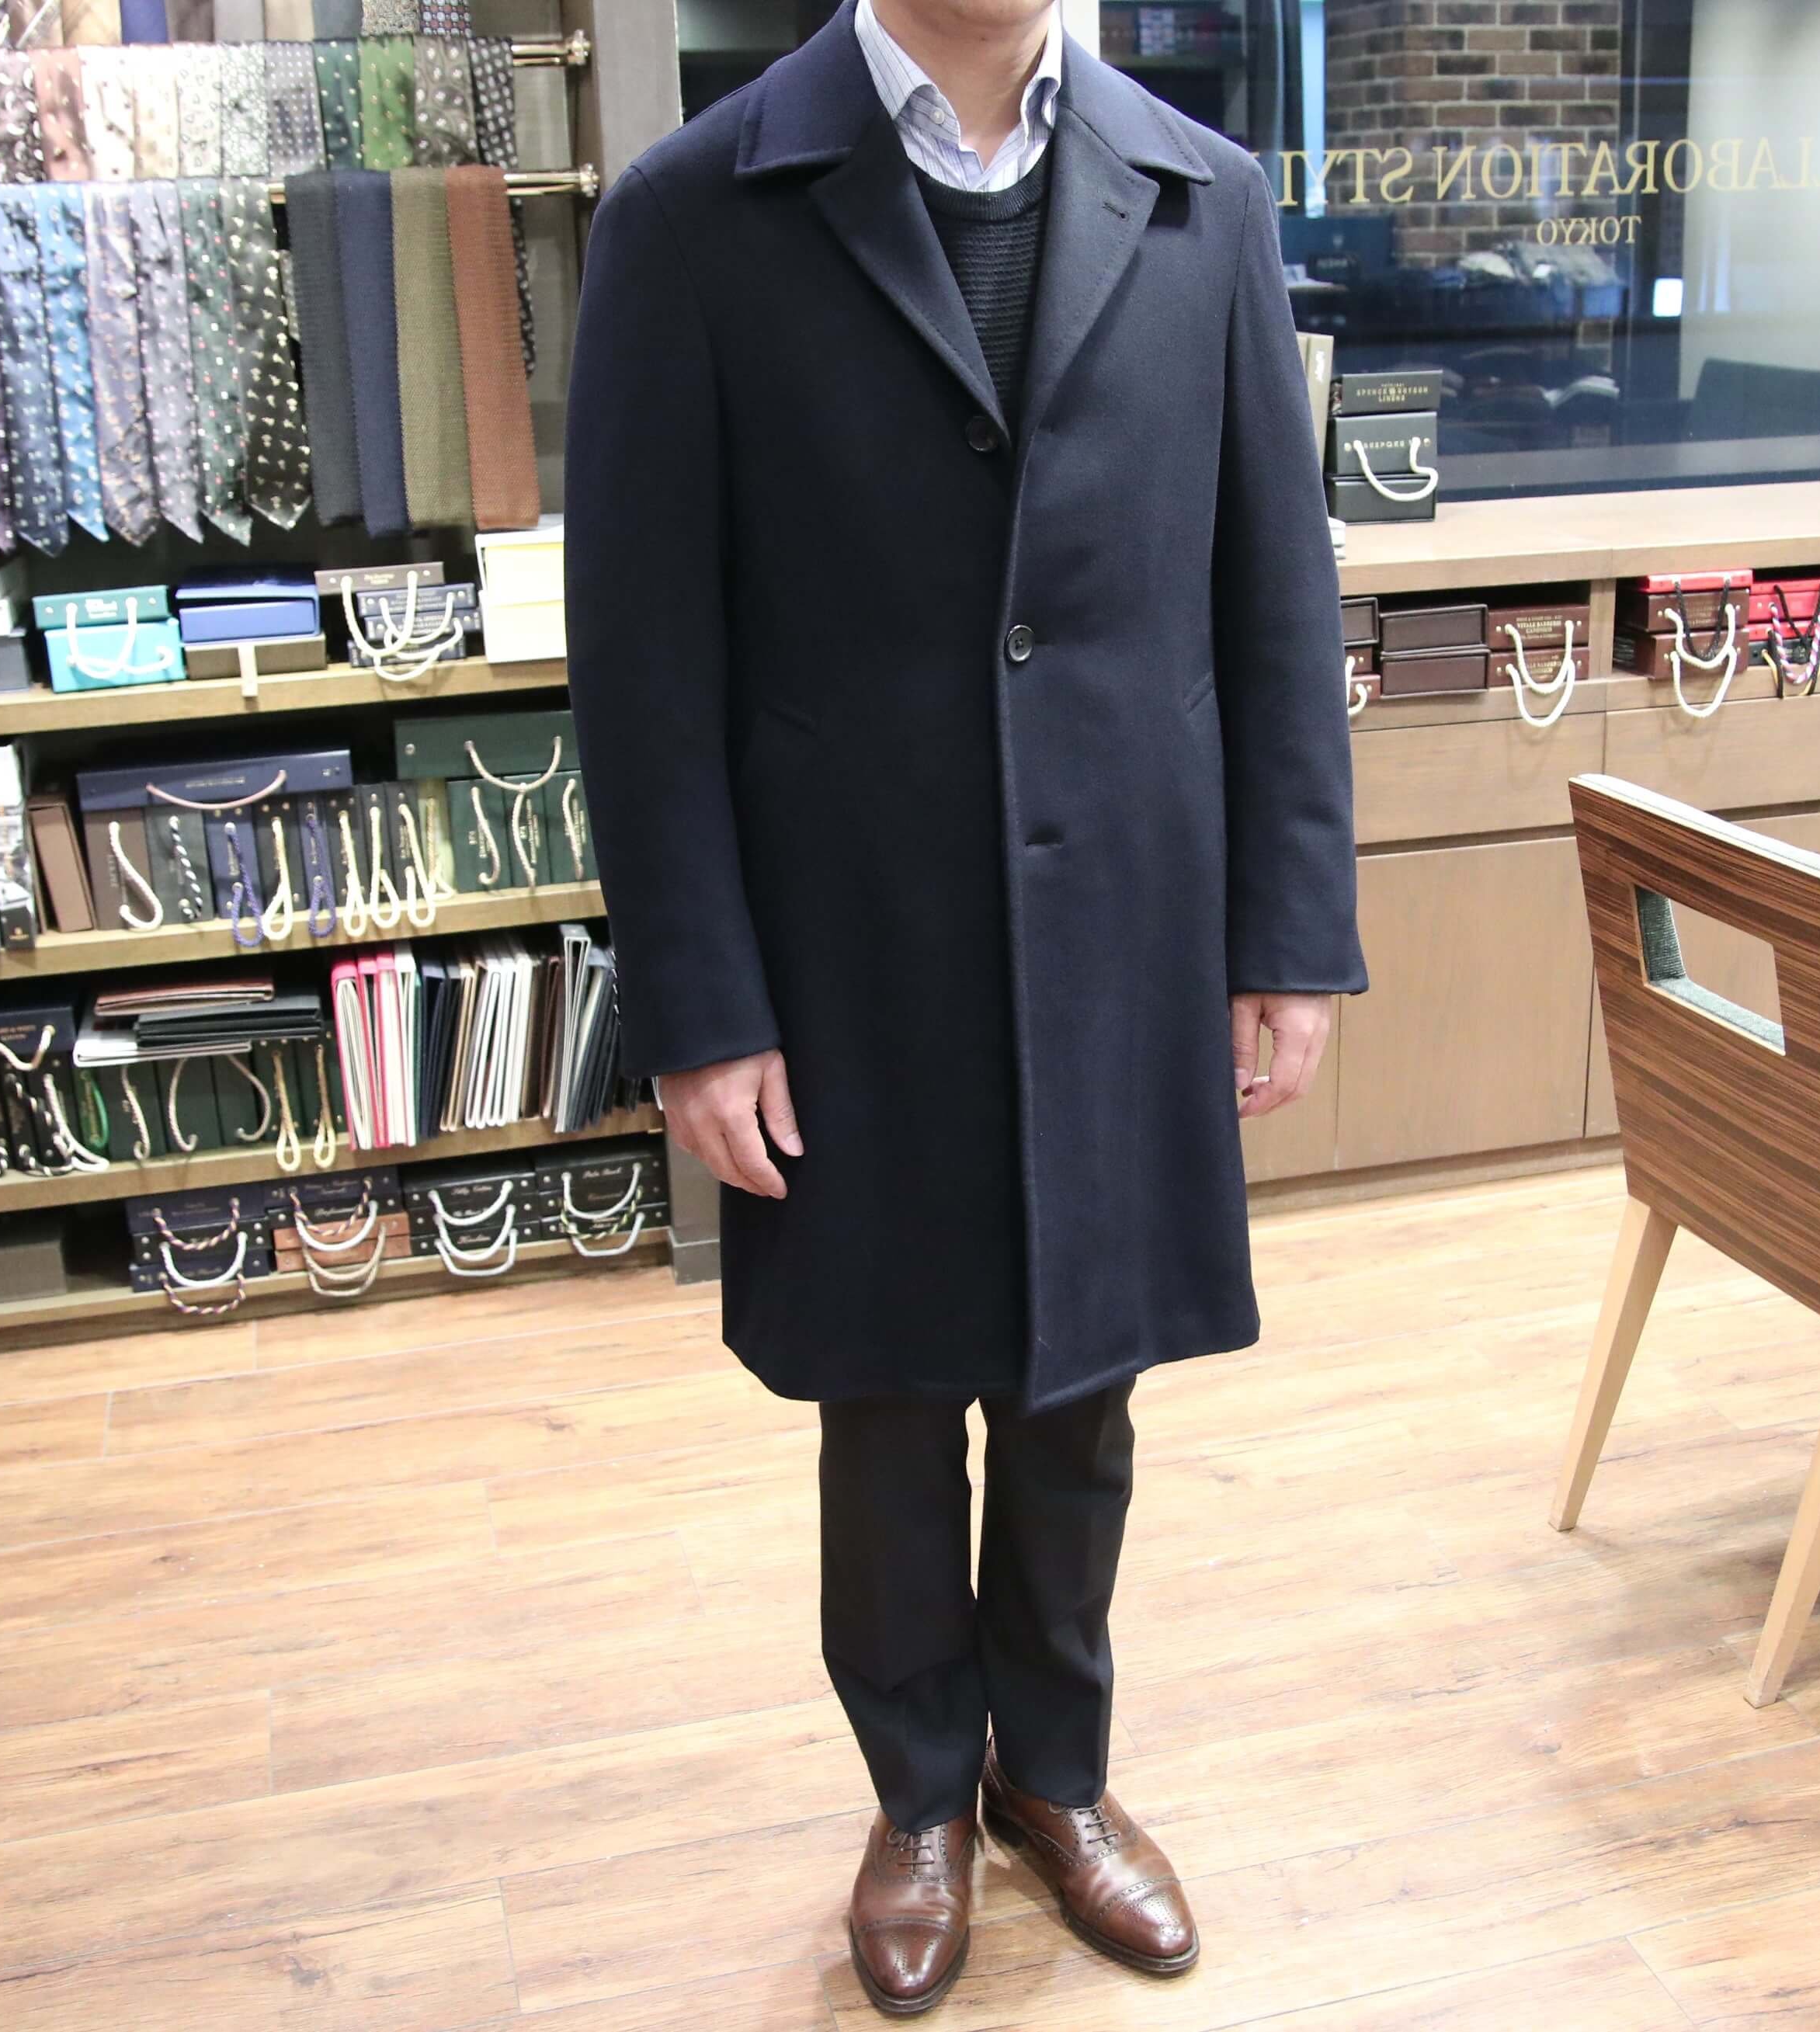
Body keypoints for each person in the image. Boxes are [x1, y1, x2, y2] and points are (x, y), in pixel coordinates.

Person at [564, 0, 1363, 2012]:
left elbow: (1273, 595)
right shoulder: (696, 213)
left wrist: (1288, 933)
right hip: (849, 939)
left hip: (1126, 921)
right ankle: (919, 1788)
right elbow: (643, 664)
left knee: (1087, 1383)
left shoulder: (1204, 200)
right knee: (891, 1389)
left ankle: (1055, 1774)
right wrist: (701, 1002)